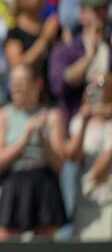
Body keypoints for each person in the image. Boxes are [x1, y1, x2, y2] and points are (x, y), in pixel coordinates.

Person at [0, 64, 67, 241]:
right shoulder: (1, 116)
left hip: (44, 184)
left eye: (21, 81)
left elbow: (60, 165)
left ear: (37, 84)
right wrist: (25, 140)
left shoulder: (52, 115)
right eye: (13, 81)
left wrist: (41, 140)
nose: (15, 86)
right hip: (14, 184)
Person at [65, 74, 112, 241]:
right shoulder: (79, 121)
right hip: (88, 202)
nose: (96, 90)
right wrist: (86, 120)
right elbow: (73, 156)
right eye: (92, 85)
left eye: (101, 84)